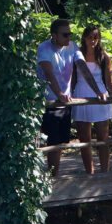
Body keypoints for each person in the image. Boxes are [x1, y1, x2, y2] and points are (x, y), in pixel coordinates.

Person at [71, 24, 112, 174]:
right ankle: (89, 172)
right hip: (82, 94)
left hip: (101, 97)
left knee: (103, 137)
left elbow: (109, 79)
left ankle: (105, 171)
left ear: (99, 39)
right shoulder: (77, 54)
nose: (92, 40)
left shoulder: (104, 57)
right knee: (85, 139)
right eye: (89, 37)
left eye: (95, 37)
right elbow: (73, 77)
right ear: (84, 37)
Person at [36, 18, 78, 175]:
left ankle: (55, 174)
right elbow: (48, 73)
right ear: (54, 35)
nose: (68, 38)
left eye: (70, 34)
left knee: (60, 141)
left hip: (65, 101)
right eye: (65, 34)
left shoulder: (72, 46)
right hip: (50, 101)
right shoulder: (44, 48)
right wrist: (59, 93)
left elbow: (80, 64)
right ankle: (51, 175)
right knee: (51, 141)